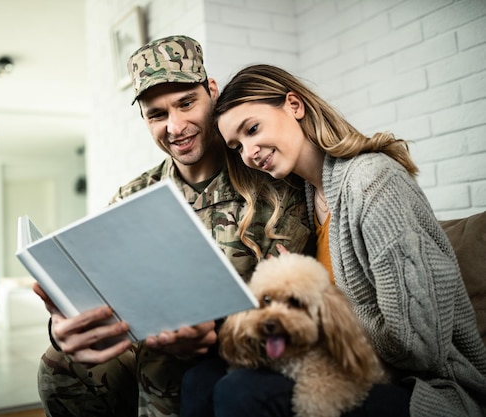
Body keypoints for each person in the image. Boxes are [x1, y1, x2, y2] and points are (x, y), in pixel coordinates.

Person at [35, 38, 313, 417]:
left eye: (186, 103)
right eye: (157, 114)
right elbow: (102, 289)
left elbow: (295, 306)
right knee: (57, 367)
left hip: (241, 357)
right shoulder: (133, 196)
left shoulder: (271, 179)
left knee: (184, 376)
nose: (175, 126)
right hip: (149, 351)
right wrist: (63, 326)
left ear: (211, 92)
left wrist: (216, 334)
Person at [194, 63, 486, 416]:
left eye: (253, 129)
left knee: (241, 391)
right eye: (237, 146)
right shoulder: (304, 196)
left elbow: (420, 344)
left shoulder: (373, 183)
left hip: (421, 384)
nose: (250, 152)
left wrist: (324, 311)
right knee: (200, 378)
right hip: (341, 366)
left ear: (294, 105)